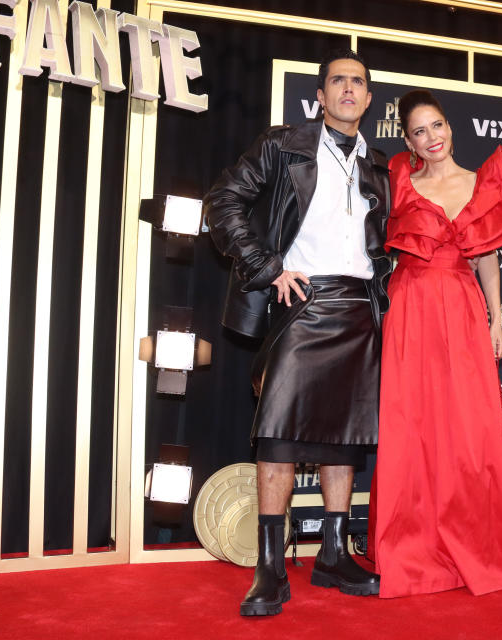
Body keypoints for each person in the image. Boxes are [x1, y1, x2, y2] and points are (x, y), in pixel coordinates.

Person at [204, 49, 391, 616]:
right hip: (302, 303)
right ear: (321, 94)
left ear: (368, 97)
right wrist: (265, 266)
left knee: (345, 440)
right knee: (278, 439)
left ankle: (334, 553)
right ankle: (270, 567)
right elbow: (224, 200)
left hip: (360, 307)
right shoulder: (283, 145)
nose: (349, 90)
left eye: (358, 82)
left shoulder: (379, 165)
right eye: (338, 81)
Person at [371, 89, 502, 598]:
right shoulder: (398, 185)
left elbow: (486, 253)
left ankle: (475, 548)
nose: (432, 138)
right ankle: (410, 550)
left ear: (450, 127)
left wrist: (497, 317)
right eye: (420, 131)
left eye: (438, 126)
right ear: (407, 140)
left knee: (470, 429)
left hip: (463, 303)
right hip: (410, 306)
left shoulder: (480, 184)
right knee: (411, 425)